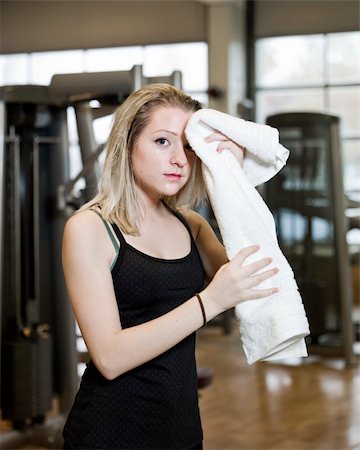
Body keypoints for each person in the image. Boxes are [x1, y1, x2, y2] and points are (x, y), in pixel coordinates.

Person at [62, 84, 279, 450]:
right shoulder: (89, 229)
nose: (180, 158)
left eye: (188, 146)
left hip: (183, 432)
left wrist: (232, 175)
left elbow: (262, 278)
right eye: (163, 142)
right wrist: (209, 302)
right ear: (127, 144)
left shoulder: (192, 226)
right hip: (110, 433)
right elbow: (110, 357)